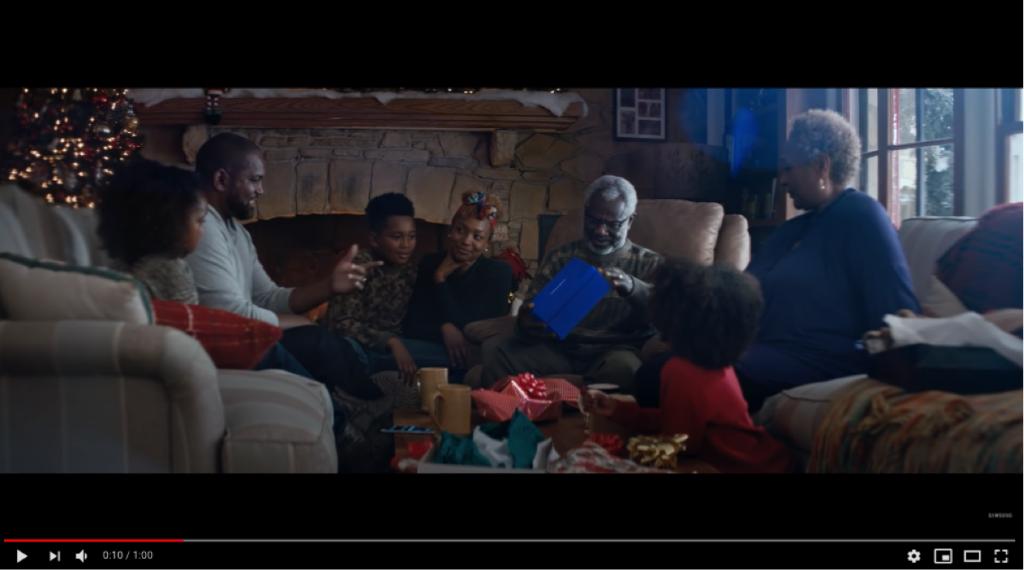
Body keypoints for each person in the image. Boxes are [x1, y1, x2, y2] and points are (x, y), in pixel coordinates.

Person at [633, 109, 920, 413]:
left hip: (821, 360)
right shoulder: (791, 230)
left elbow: (897, 312)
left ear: (821, 165)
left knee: (662, 379)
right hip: (759, 352)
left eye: (788, 169)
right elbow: (741, 297)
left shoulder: (863, 217)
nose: (781, 179)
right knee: (654, 374)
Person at [185, 132, 386, 401]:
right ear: (221, 179)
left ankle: (361, 408)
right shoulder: (203, 227)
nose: (261, 190)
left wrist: (329, 286)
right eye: (255, 180)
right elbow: (231, 315)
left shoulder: (235, 231)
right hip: (218, 346)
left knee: (323, 341)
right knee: (317, 342)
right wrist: (299, 323)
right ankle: (373, 410)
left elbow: (267, 297)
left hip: (243, 337)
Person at [93, 157, 310, 379]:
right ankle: (334, 410)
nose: (203, 231)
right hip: (188, 361)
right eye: (199, 221)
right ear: (167, 224)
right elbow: (193, 331)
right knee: (273, 351)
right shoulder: (168, 269)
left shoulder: (127, 262)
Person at [580, 258, 795, 473]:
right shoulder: (713, 364)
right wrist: (617, 409)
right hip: (767, 460)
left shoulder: (682, 371)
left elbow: (679, 445)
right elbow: (674, 420)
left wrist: (617, 453)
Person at [480, 175, 662, 393]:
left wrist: (633, 288)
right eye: (594, 220)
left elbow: (666, 315)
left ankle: (586, 410)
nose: (600, 230)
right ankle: (508, 420)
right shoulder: (560, 257)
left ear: (630, 221)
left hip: (614, 353)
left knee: (624, 368)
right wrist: (525, 324)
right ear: (585, 214)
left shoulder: (650, 263)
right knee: (495, 350)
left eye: (612, 224)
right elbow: (530, 312)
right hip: (559, 351)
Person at [400, 189, 514, 384]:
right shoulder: (430, 263)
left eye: (477, 237)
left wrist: (441, 282)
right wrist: (444, 327)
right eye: (461, 230)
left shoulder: (498, 272)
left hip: (471, 357)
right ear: (450, 230)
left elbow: (473, 332)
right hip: (431, 349)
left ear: (487, 243)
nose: (466, 241)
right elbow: (411, 325)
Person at [320, 192, 433, 383]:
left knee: (451, 358)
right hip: (360, 348)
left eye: (411, 236)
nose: (406, 245)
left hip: (393, 350)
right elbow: (340, 323)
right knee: (345, 352)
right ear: (374, 238)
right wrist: (390, 341)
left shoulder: (411, 271)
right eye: (396, 237)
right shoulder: (360, 265)